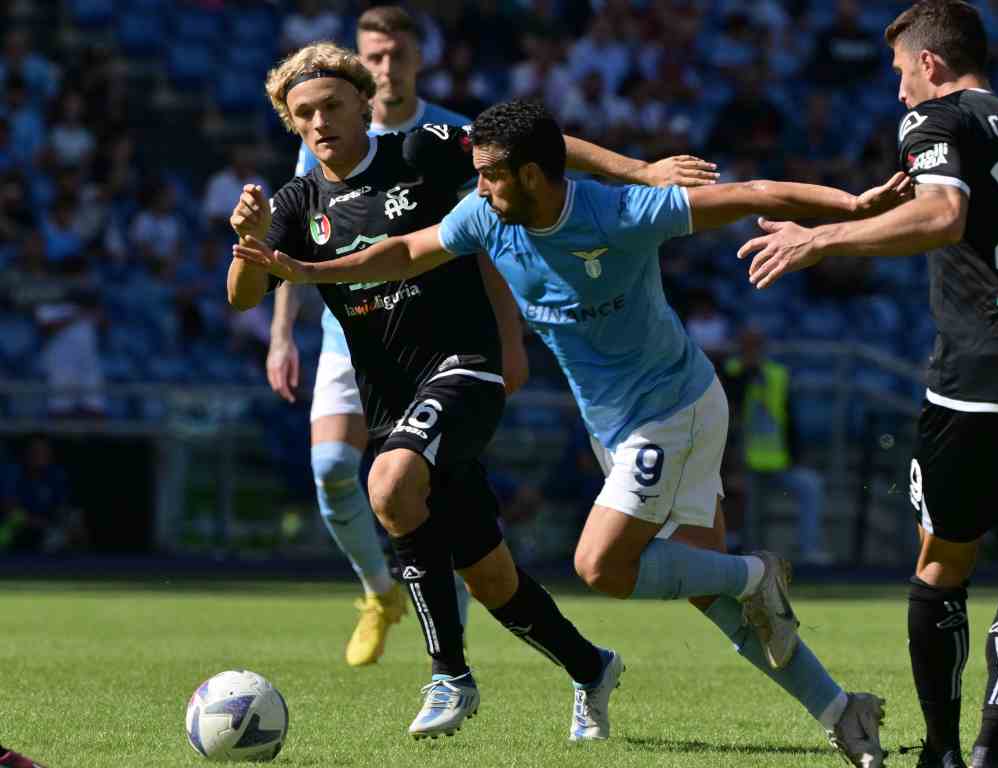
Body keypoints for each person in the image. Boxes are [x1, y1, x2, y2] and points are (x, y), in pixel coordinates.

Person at [233, 98, 914, 766]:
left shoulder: (622, 213)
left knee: (602, 568)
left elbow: (752, 192)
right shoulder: (485, 215)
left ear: (532, 174)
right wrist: (311, 271)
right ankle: (838, 709)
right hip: (613, 424)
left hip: (674, 407)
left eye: (492, 174)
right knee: (711, 595)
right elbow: (408, 249)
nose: (479, 186)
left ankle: (756, 572)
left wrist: (851, 208)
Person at [227, 42, 712, 741]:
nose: (320, 121)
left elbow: (536, 146)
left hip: (464, 367)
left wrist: (641, 170)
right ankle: (590, 666)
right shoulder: (299, 202)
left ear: (364, 103)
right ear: (292, 126)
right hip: (392, 398)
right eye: (303, 114)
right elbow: (245, 296)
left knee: (390, 486)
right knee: (488, 576)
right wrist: (246, 244)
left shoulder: (421, 149)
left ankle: (449, 676)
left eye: (332, 105)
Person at [736, 3, 998, 766]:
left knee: (942, 564)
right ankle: (991, 750)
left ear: (932, 64)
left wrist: (823, 237)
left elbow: (944, 216)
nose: (901, 93)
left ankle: (940, 751)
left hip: (981, 373)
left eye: (902, 74)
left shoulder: (937, 118)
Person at [265, 4, 486, 670]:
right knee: (333, 467)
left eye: (397, 55)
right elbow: (294, 234)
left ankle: (449, 634)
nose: (387, 67)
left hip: (431, 331)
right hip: (345, 328)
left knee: (433, 481)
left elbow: (485, 233)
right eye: (375, 56)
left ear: (419, 57)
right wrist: (282, 335)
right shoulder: (321, 128)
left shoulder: (446, 133)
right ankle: (377, 592)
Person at [722, 327, 831, 564]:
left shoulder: (777, 374)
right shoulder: (730, 372)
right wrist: (747, 374)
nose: (752, 351)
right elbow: (728, 413)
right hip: (741, 462)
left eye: (756, 346)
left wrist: (795, 455)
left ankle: (808, 550)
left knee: (810, 485)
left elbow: (789, 417)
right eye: (747, 346)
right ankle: (740, 552)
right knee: (738, 495)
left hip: (778, 462)